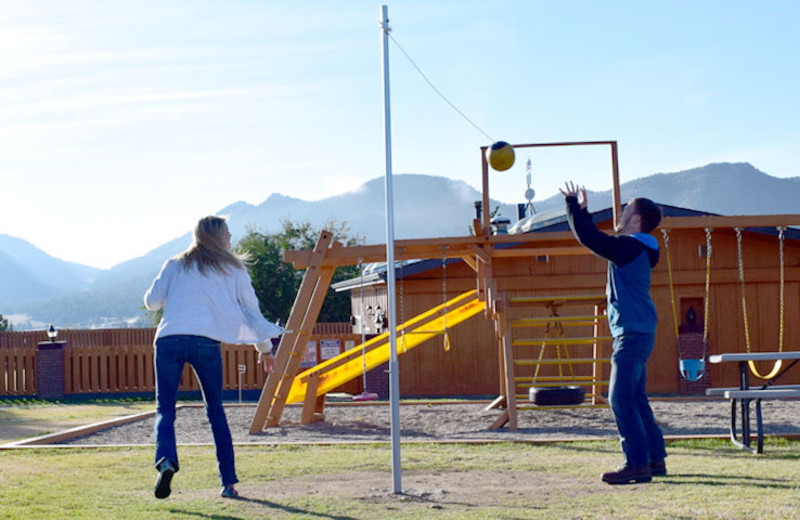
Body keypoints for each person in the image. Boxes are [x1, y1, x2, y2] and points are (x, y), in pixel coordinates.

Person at [144, 215, 282, 499]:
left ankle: (166, 461)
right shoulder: (234, 270)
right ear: (220, 237)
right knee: (215, 410)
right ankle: (228, 483)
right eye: (228, 233)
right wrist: (266, 350)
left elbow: (152, 301)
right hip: (205, 342)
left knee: (165, 409)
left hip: (168, 339)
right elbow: (252, 312)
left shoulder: (174, 264)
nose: (231, 238)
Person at [560, 182, 667, 485]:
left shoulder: (632, 247)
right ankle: (654, 458)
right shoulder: (639, 247)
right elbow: (596, 237)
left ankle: (636, 464)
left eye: (625, 209)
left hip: (632, 335)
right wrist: (582, 212)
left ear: (636, 219)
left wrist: (573, 206)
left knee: (619, 398)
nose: (620, 213)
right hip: (640, 331)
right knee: (634, 397)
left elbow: (591, 239)